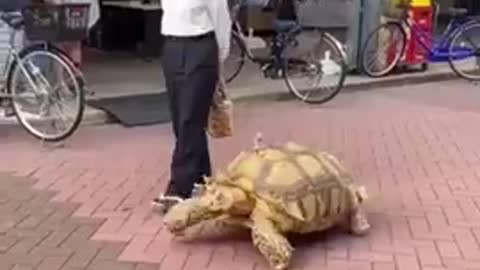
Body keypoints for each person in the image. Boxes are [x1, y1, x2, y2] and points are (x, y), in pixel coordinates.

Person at [152, 0, 232, 211]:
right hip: (172, 47)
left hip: (200, 48)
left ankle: (179, 187)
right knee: (181, 118)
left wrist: (220, 58)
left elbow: (222, 20)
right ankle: (201, 177)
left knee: (189, 118)